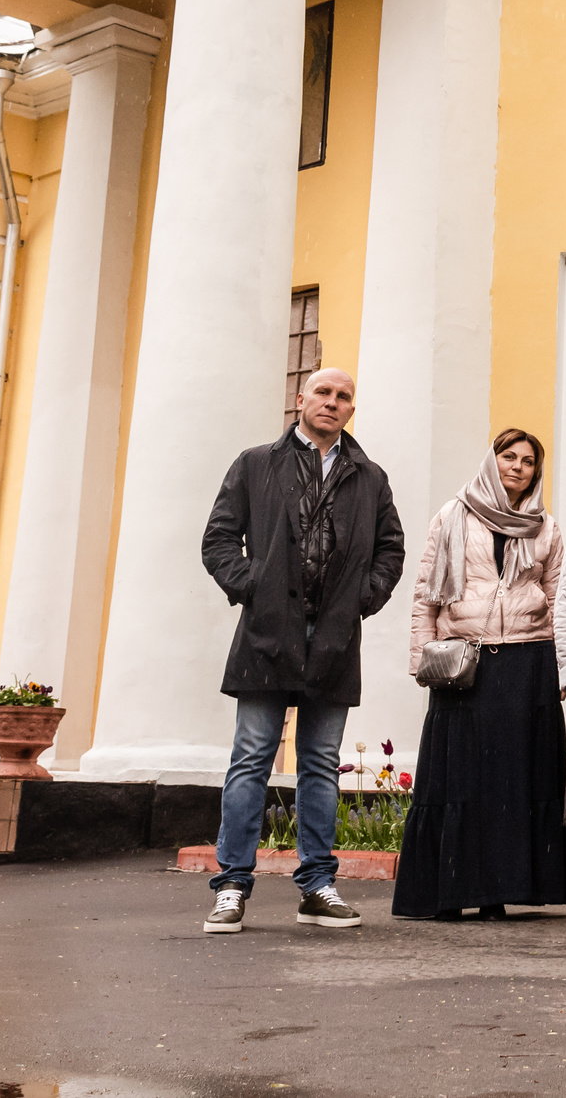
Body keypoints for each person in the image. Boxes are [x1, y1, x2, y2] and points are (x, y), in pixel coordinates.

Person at [199, 367, 406, 935]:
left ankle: (317, 885)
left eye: (344, 397)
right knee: (252, 761)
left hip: (334, 637)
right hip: (267, 634)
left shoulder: (370, 477)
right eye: (323, 393)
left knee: (319, 764)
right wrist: (253, 587)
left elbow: (391, 547)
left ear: (350, 410)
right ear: (300, 399)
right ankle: (232, 887)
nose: (332, 403)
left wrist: (364, 598)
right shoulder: (254, 463)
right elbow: (218, 539)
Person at [393, 428, 566, 921]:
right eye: (508, 456)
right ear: (491, 460)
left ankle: (501, 890)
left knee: (514, 780)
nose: (517, 467)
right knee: (458, 778)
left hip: (528, 659)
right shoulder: (452, 516)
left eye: (528, 461)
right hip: (464, 662)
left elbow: (559, 599)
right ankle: (448, 891)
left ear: (537, 472)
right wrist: (422, 661)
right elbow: (426, 595)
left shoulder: (545, 527)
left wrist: (565, 666)